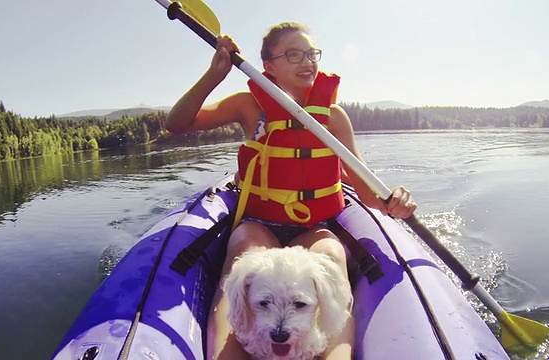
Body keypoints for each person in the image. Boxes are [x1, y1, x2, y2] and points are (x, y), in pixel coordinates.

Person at [165, 22, 417, 360]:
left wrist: (394, 201)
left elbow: (366, 190)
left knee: (331, 255)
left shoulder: (333, 116)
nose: (307, 62)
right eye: (293, 55)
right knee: (244, 252)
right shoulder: (248, 105)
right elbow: (177, 123)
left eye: (312, 54)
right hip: (260, 222)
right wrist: (215, 75)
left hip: (314, 228)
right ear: (268, 65)